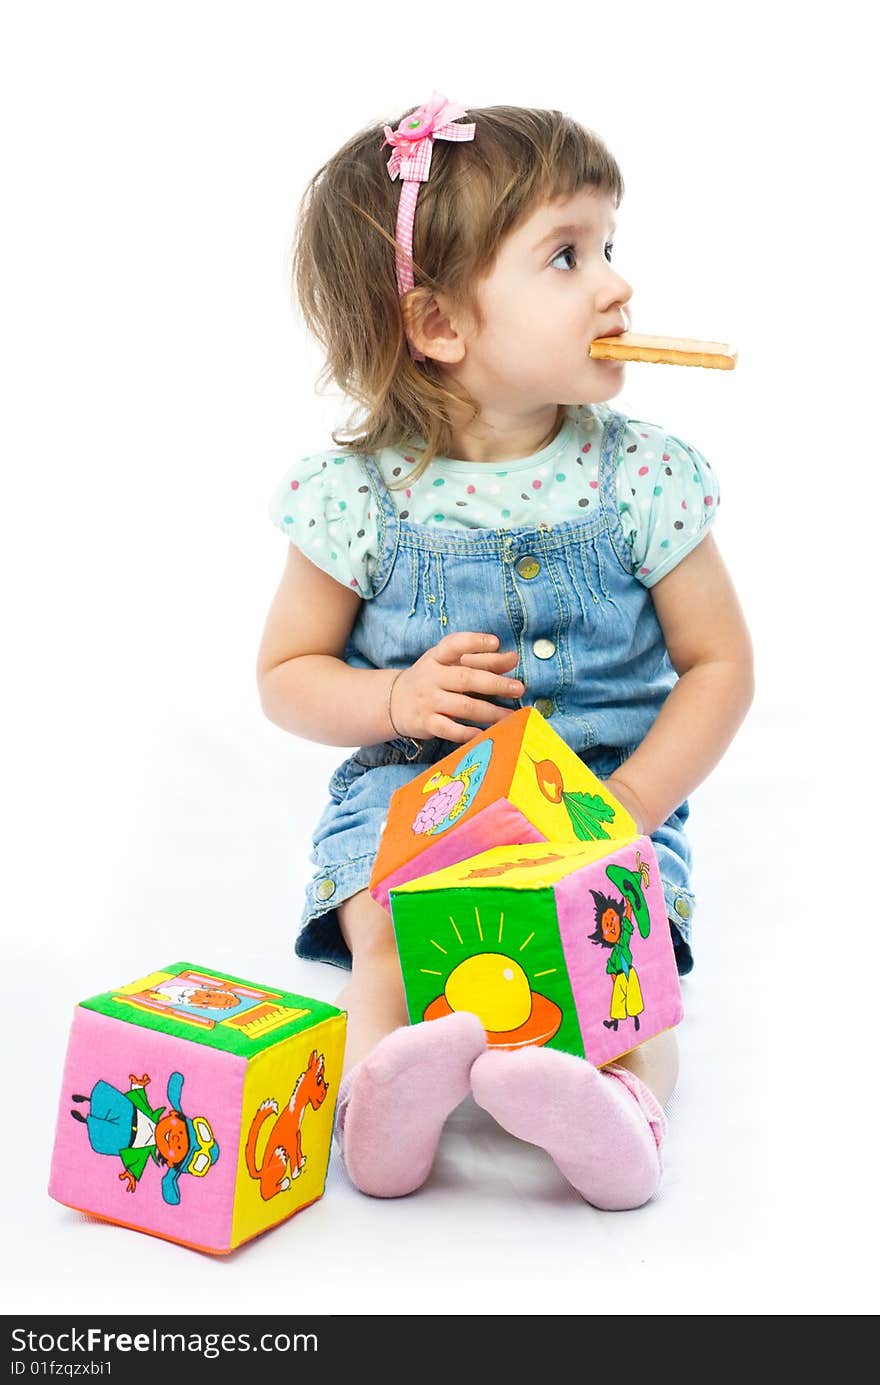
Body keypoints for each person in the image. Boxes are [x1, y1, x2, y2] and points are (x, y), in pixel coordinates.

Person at [257, 93, 754, 1210]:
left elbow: (720, 664)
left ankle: (614, 1106)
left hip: (599, 796)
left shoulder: (644, 474)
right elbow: (287, 677)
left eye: (609, 244)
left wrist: (628, 801)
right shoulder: (356, 494)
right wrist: (393, 695)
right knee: (382, 923)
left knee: (627, 962)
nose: (616, 283)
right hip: (418, 794)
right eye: (568, 255)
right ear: (439, 325)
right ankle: (386, 1095)